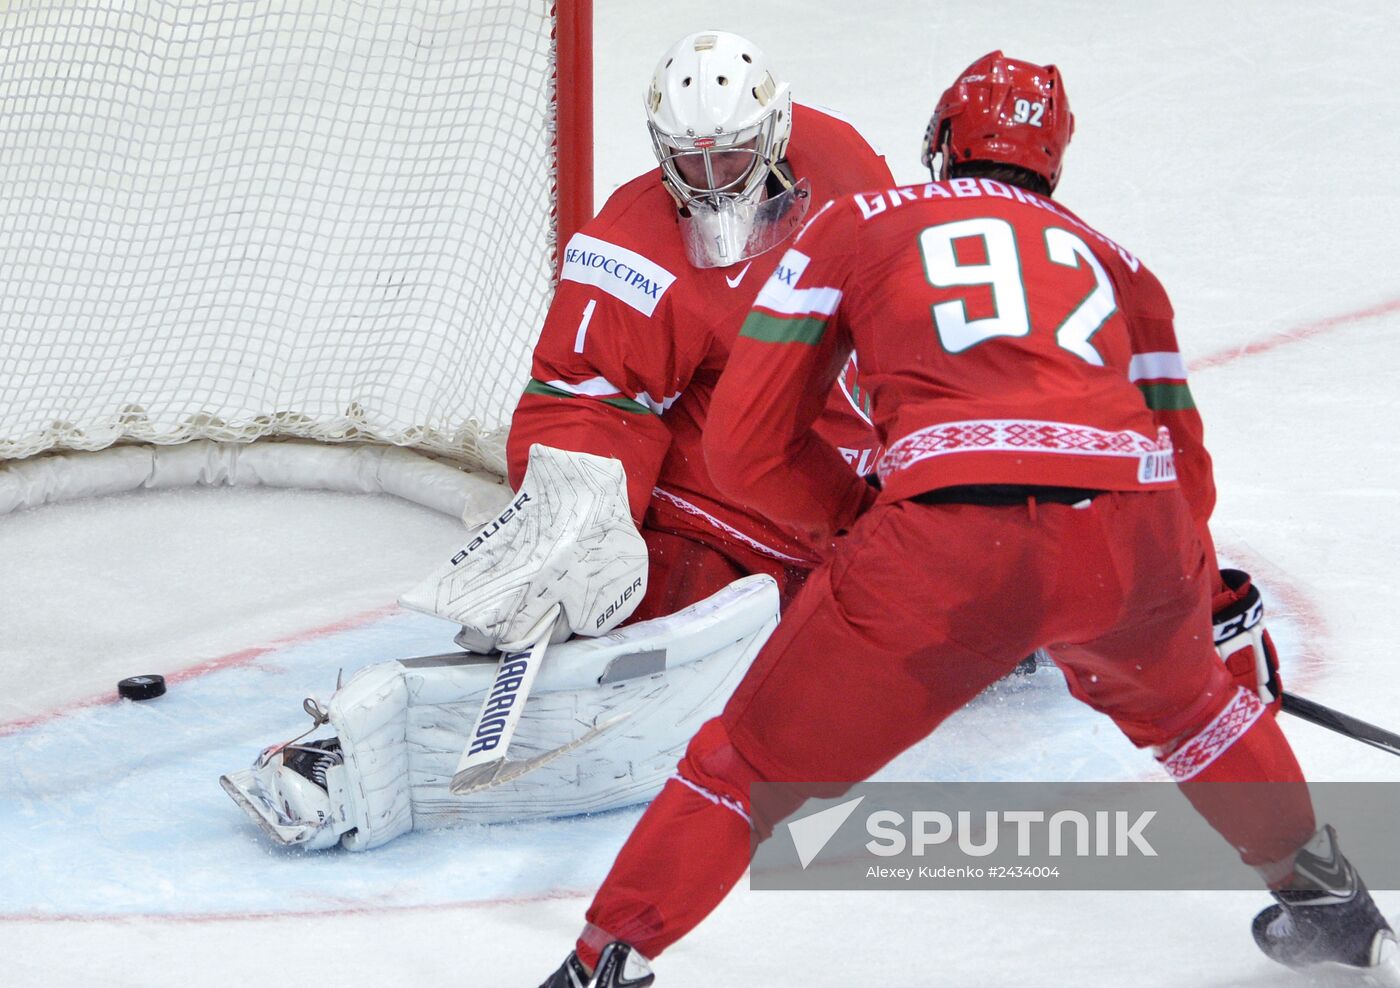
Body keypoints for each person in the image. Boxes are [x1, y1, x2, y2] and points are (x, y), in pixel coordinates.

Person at [538, 51, 1398, 986]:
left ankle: (599, 964)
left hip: (945, 549)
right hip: (1129, 538)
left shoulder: (854, 223)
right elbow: (1184, 473)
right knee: (1202, 715)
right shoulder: (1124, 265)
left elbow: (748, 444)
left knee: (746, 764)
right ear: (1055, 161)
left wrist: (852, 527)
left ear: (941, 142)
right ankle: (1332, 902)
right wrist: (1198, 603)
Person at [507, 29, 892, 624]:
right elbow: (583, 404)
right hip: (719, 516)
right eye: (691, 157)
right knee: (671, 603)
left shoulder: (840, 157)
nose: (712, 178)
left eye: (732, 153)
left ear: (774, 131)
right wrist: (570, 537)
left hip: (850, 485)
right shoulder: (629, 252)